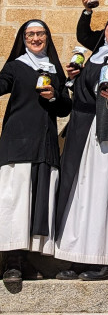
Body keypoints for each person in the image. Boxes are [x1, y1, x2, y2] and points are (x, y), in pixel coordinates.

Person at [54, 10, 108, 280]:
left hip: (107, 132)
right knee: (79, 192)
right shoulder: (95, 55)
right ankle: (76, 256)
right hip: (82, 131)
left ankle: (104, 259)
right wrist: (74, 78)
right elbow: (81, 92)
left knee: (103, 194)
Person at [0, 20, 71, 283]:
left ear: (47, 37)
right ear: (23, 38)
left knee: (40, 201)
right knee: (16, 201)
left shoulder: (54, 70)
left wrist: (53, 96)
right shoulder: (15, 66)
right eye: (30, 34)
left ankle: (30, 259)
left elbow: (64, 107)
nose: (35, 38)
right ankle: (12, 261)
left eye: (40, 33)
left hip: (45, 144)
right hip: (18, 143)